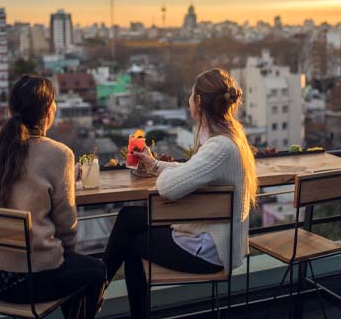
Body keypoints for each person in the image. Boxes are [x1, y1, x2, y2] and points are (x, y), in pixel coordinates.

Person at [102, 68, 257, 318]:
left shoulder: (219, 146)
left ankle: (99, 291)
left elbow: (168, 188)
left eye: (191, 94)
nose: (189, 99)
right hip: (211, 236)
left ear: (198, 101)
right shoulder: (230, 136)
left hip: (211, 250)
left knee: (132, 242)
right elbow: (194, 170)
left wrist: (161, 174)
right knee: (129, 217)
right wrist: (154, 165)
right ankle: (99, 286)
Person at [0, 75, 105, 319]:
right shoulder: (59, 154)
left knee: (74, 269)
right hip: (26, 282)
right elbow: (66, 227)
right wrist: (68, 256)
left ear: (11, 109)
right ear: (48, 110)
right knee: (95, 270)